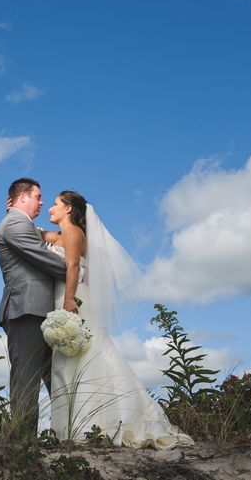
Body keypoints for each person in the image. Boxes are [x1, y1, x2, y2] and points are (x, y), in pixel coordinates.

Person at [42, 190, 193, 449]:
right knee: (69, 361)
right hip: (64, 298)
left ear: (68, 208)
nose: (49, 209)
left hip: (73, 298)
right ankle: (72, 428)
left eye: (55, 204)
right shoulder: (60, 234)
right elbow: (40, 234)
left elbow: (73, 267)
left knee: (87, 356)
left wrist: (68, 299)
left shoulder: (74, 233)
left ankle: (95, 426)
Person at [0, 178, 68, 437]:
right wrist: (78, 271)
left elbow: (53, 241)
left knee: (57, 378)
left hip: (40, 311)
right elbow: (45, 259)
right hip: (25, 309)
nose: (41, 202)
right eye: (38, 196)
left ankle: (65, 435)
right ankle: (23, 443)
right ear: (22, 197)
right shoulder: (14, 223)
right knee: (26, 380)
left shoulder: (25, 225)